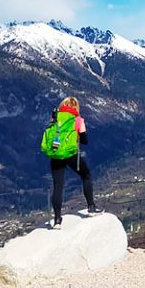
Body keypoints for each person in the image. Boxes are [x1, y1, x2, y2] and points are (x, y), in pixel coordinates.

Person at [40, 96, 101, 228]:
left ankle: (57, 220)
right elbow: (85, 141)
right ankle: (91, 207)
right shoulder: (77, 120)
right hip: (71, 154)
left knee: (58, 186)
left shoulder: (55, 117)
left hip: (56, 155)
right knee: (86, 175)